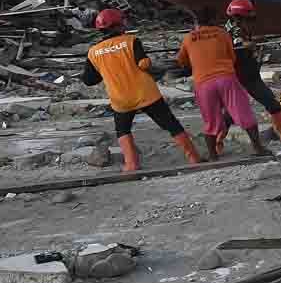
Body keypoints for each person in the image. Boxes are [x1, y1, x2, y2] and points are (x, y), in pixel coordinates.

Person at [83, 9, 204, 172]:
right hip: (146, 94)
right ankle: (194, 158)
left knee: (123, 130)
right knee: (171, 124)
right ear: (118, 25)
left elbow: (89, 80)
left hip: (120, 99)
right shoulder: (131, 41)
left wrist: (105, 69)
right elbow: (144, 64)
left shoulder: (93, 52)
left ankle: (132, 165)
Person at [176, 7, 269, 159]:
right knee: (243, 113)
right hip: (226, 78)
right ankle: (258, 148)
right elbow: (231, 56)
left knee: (211, 120)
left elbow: (181, 61)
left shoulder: (188, 38)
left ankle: (213, 156)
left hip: (203, 83)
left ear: (196, 21)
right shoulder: (222, 33)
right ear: (213, 20)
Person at [224, 0, 281, 142]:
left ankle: (216, 139)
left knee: (232, 109)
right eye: (249, 17)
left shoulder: (231, 27)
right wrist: (253, 44)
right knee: (270, 102)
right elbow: (241, 43)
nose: (251, 20)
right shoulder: (236, 29)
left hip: (240, 72)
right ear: (240, 17)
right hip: (245, 73)